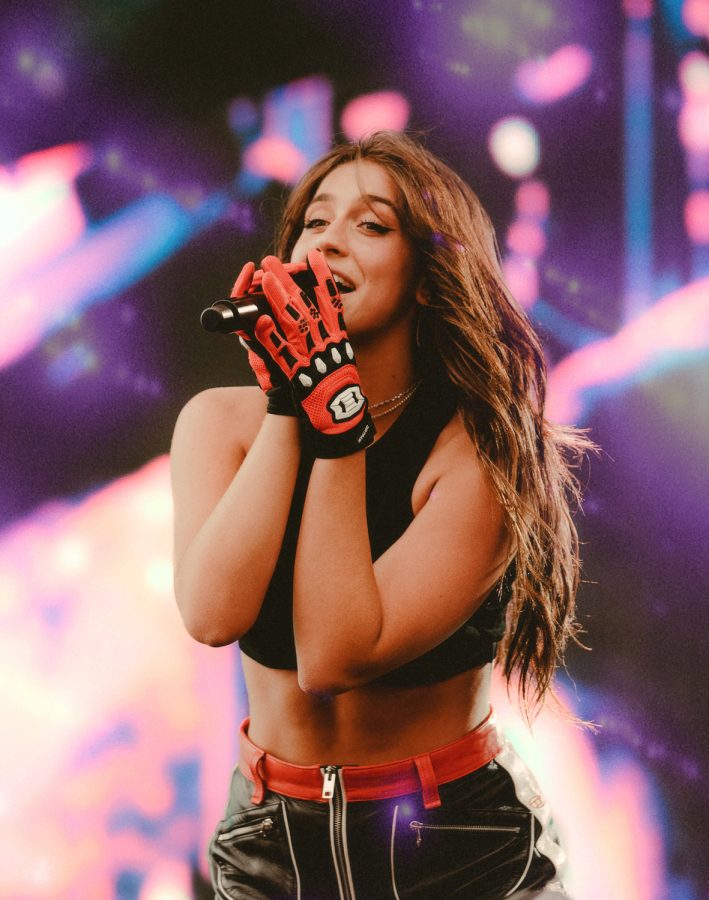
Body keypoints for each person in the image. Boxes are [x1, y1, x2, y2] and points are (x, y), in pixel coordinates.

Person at [171, 131, 590, 899]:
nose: (329, 242)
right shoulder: (217, 423)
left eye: (370, 224)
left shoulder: (483, 449)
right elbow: (211, 614)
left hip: (453, 848)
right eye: (314, 222)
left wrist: (341, 428)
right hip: (270, 845)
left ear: (427, 277)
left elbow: (332, 656)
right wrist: (287, 404)